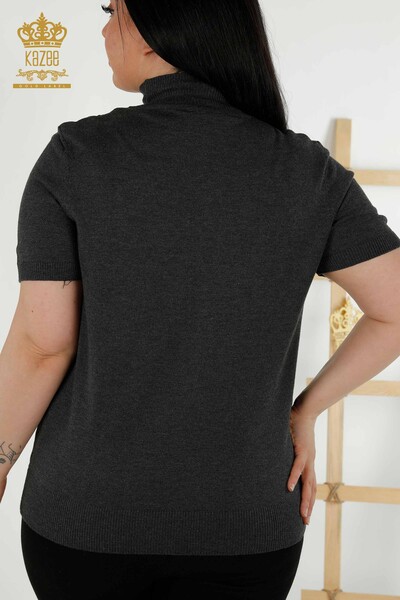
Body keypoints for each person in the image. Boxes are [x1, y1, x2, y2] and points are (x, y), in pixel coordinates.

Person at [1, 0, 400, 598]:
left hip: (86, 525)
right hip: (249, 531)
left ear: (155, 27)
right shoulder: (307, 171)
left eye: (111, 9)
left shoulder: (77, 156)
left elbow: (42, 346)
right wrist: (304, 411)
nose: (104, 28)